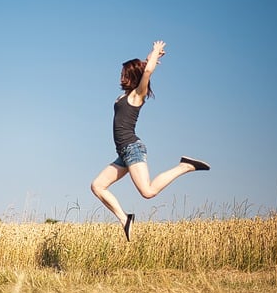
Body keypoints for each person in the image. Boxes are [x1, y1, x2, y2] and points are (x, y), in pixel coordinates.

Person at [90, 40, 210, 241]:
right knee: (97, 186)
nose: (121, 76)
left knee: (148, 191)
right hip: (123, 153)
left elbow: (147, 74)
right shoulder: (123, 96)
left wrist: (154, 54)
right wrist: (147, 60)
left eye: (124, 73)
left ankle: (185, 166)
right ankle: (125, 219)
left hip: (132, 149)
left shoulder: (138, 95)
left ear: (131, 76)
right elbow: (144, 70)